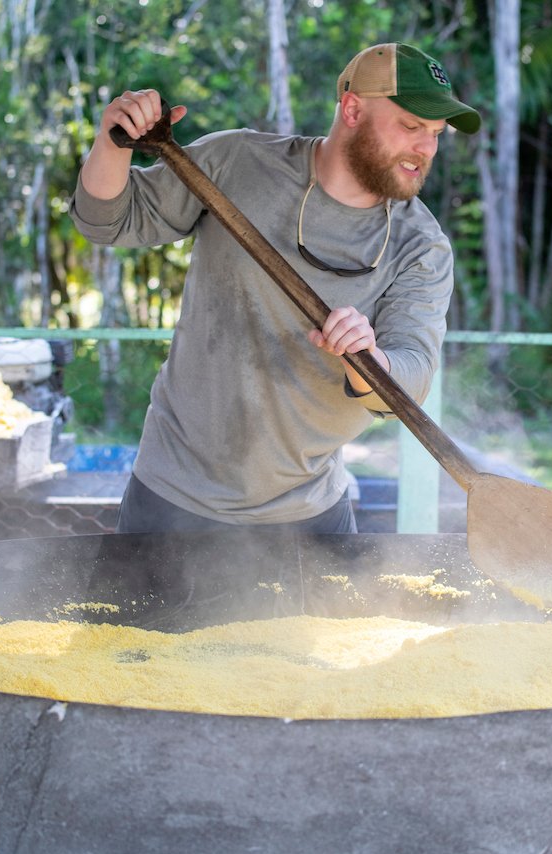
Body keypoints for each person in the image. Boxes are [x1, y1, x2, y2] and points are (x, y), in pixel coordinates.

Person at [70, 42, 480, 533]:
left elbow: (411, 376)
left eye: (436, 133)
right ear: (352, 110)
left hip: (309, 513)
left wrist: (372, 358)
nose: (427, 148)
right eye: (412, 127)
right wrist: (112, 144)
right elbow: (107, 222)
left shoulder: (421, 246)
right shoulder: (236, 162)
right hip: (173, 494)